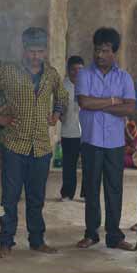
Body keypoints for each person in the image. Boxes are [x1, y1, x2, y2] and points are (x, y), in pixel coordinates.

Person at [0, 27, 67, 258]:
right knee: (10, 197)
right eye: (31, 51)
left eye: (40, 51)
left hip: (41, 147)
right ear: (23, 49)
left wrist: (56, 114)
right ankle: (6, 242)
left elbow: (62, 96)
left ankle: (37, 240)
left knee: (36, 198)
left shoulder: (52, 74)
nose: (35, 56)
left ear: (45, 52)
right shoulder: (8, 71)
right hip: (14, 144)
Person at [75, 27, 135, 250]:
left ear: (114, 52)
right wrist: (112, 101)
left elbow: (129, 107)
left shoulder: (124, 77)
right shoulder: (84, 74)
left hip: (115, 144)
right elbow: (84, 103)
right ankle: (91, 233)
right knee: (91, 188)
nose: (100, 55)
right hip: (90, 141)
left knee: (114, 189)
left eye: (105, 50)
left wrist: (100, 102)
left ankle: (114, 236)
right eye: (97, 50)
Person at [60, 55, 84, 201]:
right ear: (68, 70)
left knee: (89, 165)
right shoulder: (63, 86)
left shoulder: (88, 84)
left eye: (80, 70)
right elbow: (58, 107)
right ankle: (67, 193)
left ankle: (87, 193)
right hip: (69, 131)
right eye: (73, 69)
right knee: (69, 165)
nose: (77, 72)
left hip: (88, 132)